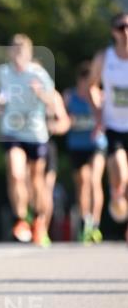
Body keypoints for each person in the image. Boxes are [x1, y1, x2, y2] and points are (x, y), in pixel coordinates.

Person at [0, 35, 55, 246]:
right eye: (15, 51)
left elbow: (52, 101)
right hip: (12, 131)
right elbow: (3, 94)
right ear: (10, 53)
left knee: (36, 180)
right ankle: (20, 219)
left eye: (22, 52)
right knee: (15, 172)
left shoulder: (38, 73)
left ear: (29, 54)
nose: (18, 56)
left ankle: (38, 220)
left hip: (36, 133)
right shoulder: (3, 72)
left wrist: (40, 93)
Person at [88, 12, 128, 238]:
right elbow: (92, 86)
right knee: (121, 173)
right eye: (121, 27)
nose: (126, 32)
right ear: (114, 32)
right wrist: (98, 115)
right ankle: (117, 192)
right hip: (114, 125)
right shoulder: (105, 58)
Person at [63, 62, 107, 243]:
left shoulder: (100, 96)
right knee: (82, 183)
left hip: (96, 144)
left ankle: (95, 224)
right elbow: (60, 117)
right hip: (76, 145)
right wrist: (67, 120)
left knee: (94, 179)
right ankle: (84, 221)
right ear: (79, 81)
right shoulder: (70, 96)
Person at [37, 88, 71, 246]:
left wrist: (53, 127)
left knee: (47, 189)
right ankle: (31, 220)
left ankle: (42, 228)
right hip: (25, 145)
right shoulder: (17, 93)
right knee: (32, 188)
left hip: (46, 145)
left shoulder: (52, 95)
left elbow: (65, 122)